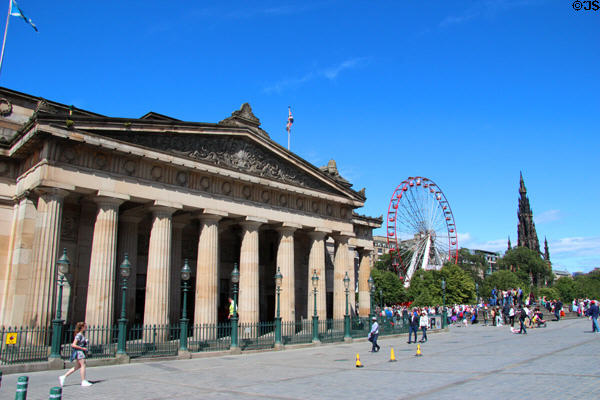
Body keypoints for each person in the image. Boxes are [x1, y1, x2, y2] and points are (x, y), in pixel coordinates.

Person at [59, 322, 92, 387]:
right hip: (79, 352)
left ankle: (63, 376)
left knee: (77, 367)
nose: (86, 328)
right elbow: (73, 345)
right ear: (82, 327)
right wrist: (82, 348)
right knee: (83, 365)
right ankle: (83, 381)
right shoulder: (79, 335)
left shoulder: (81, 335)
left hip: (80, 351)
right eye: (85, 326)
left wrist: (85, 341)